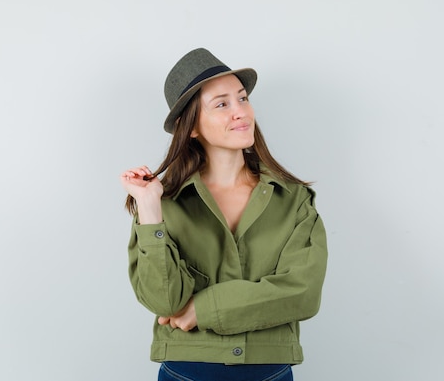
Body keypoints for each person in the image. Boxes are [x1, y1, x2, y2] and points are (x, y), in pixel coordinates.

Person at [120, 48, 327, 381]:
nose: (241, 112)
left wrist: (204, 309)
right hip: (186, 372)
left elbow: (303, 292)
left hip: (269, 372)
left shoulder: (293, 199)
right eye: (222, 104)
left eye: (242, 99)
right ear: (191, 127)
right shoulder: (163, 203)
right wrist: (149, 208)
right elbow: (165, 301)